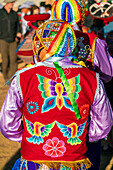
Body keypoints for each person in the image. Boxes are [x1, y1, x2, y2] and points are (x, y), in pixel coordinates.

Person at [0, 19, 113, 170]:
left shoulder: (23, 77)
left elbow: (8, 125)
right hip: (75, 161)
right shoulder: (91, 78)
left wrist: (32, 139)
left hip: (33, 162)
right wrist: (81, 137)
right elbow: (104, 124)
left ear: (40, 45)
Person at [51, 0, 113, 169]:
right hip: (85, 113)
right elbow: (107, 74)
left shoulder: (44, 41)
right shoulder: (93, 41)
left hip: (50, 113)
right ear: (82, 16)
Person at [0, 0, 21, 82]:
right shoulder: (0, 13)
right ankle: (5, 76)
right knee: (5, 59)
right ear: (6, 3)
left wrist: (18, 33)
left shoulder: (14, 14)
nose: (13, 4)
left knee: (13, 59)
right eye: (11, 2)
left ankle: (12, 78)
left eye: (13, 2)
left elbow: (18, 25)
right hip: (2, 39)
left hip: (13, 39)